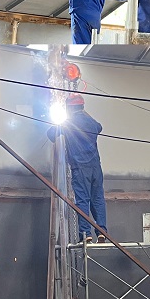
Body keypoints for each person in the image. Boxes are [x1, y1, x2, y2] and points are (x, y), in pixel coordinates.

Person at [47, 93, 107, 242]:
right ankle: (102, 231)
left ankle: (85, 234)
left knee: (82, 200)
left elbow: (51, 134)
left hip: (80, 167)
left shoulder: (68, 123)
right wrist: (84, 113)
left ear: (69, 108)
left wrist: (62, 122)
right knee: (98, 199)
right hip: (95, 167)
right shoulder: (91, 122)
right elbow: (99, 127)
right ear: (82, 106)